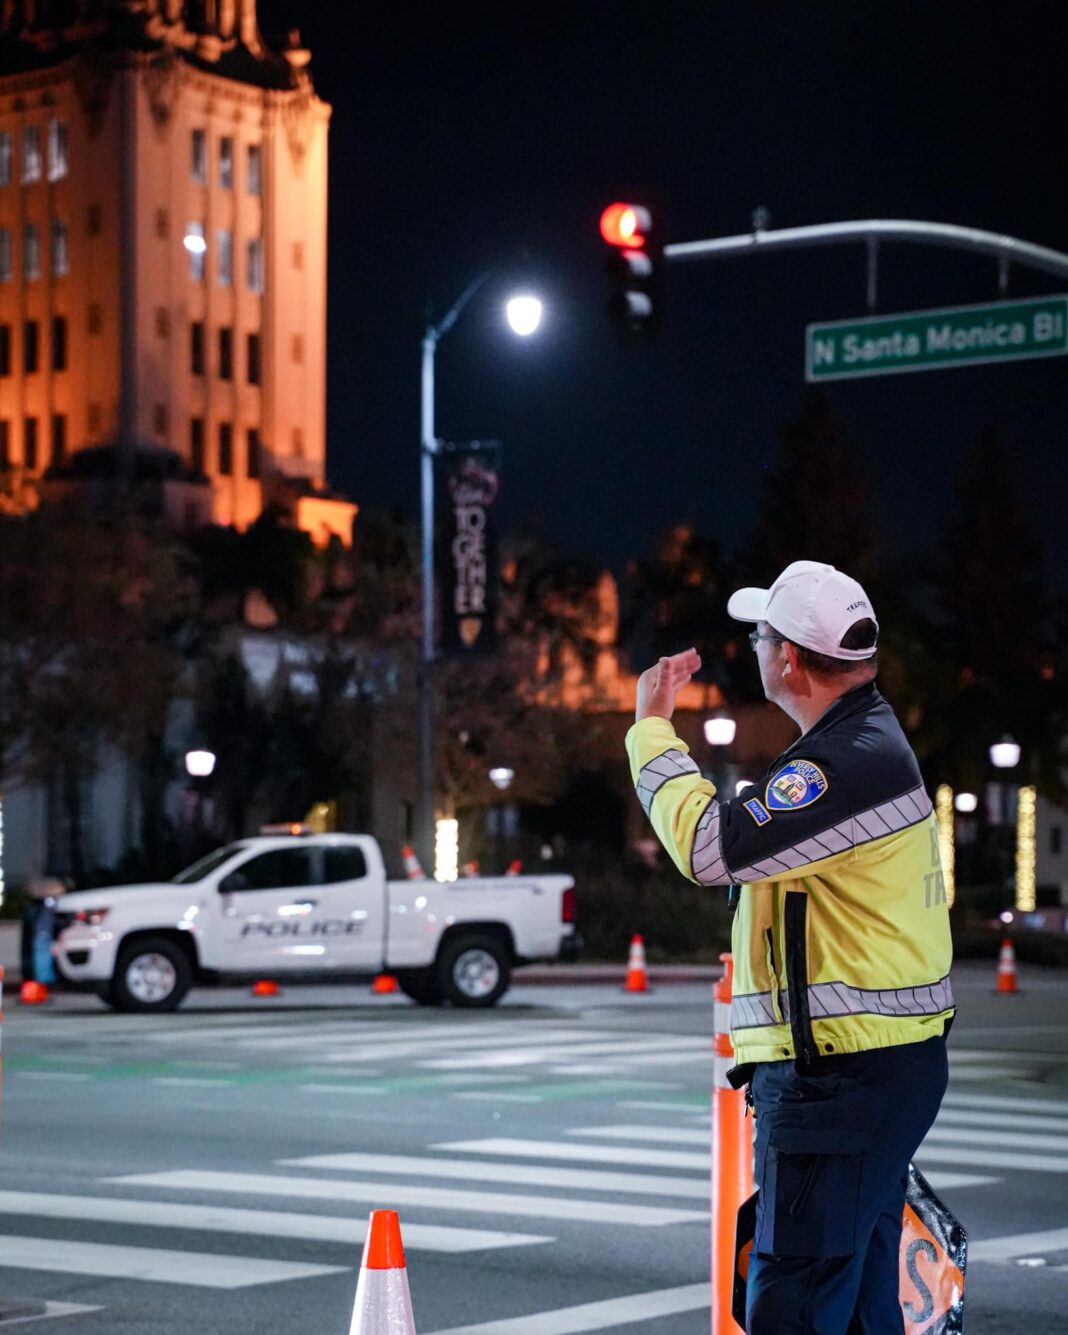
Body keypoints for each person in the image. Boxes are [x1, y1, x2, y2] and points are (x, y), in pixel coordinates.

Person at [626, 560, 954, 1335]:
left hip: (841, 1080)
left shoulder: (841, 764)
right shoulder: (862, 742)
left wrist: (650, 729)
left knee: (796, 1305)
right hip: (872, 1068)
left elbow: (710, 848)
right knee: (859, 1305)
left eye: (760, 636)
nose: (755, 649)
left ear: (792, 659)